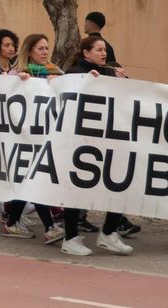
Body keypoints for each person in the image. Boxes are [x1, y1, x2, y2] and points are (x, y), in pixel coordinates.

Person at [57, 35, 133, 257]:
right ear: (86, 53)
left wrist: (124, 80)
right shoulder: (74, 72)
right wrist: (85, 80)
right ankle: (70, 238)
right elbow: (63, 91)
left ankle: (109, 233)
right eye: (98, 49)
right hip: (82, 142)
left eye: (105, 50)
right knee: (76, 190)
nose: (103, 53)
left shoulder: (111, 71)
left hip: (109, 141)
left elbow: (130, 100)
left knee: (119, 185)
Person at [0, 34, 61, 243]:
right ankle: (50, 227)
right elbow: (2, 92)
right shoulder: (18, 74)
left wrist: (57, 84)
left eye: (46, 48)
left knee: (30, 179)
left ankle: (12, 222)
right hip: (24, 138)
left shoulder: (55, 72)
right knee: (35, 179)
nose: (45, 52)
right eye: (40, 49)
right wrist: (19, 82)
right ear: (30, 51)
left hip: (46, 137)